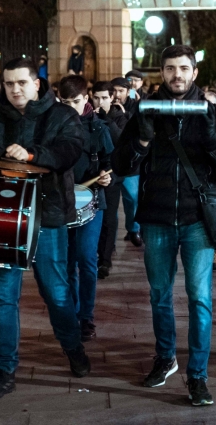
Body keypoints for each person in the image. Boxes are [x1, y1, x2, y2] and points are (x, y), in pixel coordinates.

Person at [111, 44, 216, 406]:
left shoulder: (212, 112)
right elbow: (120, 163)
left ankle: (197, 375)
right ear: (162, 72)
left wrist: (212, 138)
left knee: (200, 298)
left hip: (197, 219)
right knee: (159, 295)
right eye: (170, 69)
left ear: (194, 72)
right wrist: (141, 139)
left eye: (184, 68)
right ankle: (165, 357)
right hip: (156, 218)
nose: (177, 75)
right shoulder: (146, 110)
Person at [0, 57, 89, 399]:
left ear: (37, 83)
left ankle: (73, 347)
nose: (15, 89)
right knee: (4, 297)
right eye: (8, 83)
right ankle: (4, 370)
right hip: (3, 218)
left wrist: (32, 155)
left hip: (47, 218)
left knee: (56, 292)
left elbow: (69, 151)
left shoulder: (62, 116)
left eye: (21, 82)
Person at [59, 75, 114, 341]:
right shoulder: (53, 127)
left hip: (93, 199)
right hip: (61, 201)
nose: (71, 107)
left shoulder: (99, 128)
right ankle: (73, 315)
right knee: (67, 262)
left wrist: (106, 175)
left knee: (86, 258)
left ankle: (86, 318)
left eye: (76, 101)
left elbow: (110, 161)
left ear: (86, 99)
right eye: (65, 102)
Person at [91, 81, 124, 279]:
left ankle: (105, 260)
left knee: (109, 218)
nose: (100, 101)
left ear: (111, 98)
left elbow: (120, 140)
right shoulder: (87, 116)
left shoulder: (119, 117)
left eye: (104, 97)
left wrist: (105, 118)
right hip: (92, 174)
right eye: (97, 97)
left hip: (112, 174)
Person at [110, 77, 142, 247]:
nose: (116, 95)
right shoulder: (105, 105)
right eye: (114, 91)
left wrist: (123, 115)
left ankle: (133, 229)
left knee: (132, 198)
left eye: (120, 91)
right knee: (111, 202)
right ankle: (110, 237)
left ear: (127, 92)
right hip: (111, 163)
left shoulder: (134, 107)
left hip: (130, 163)